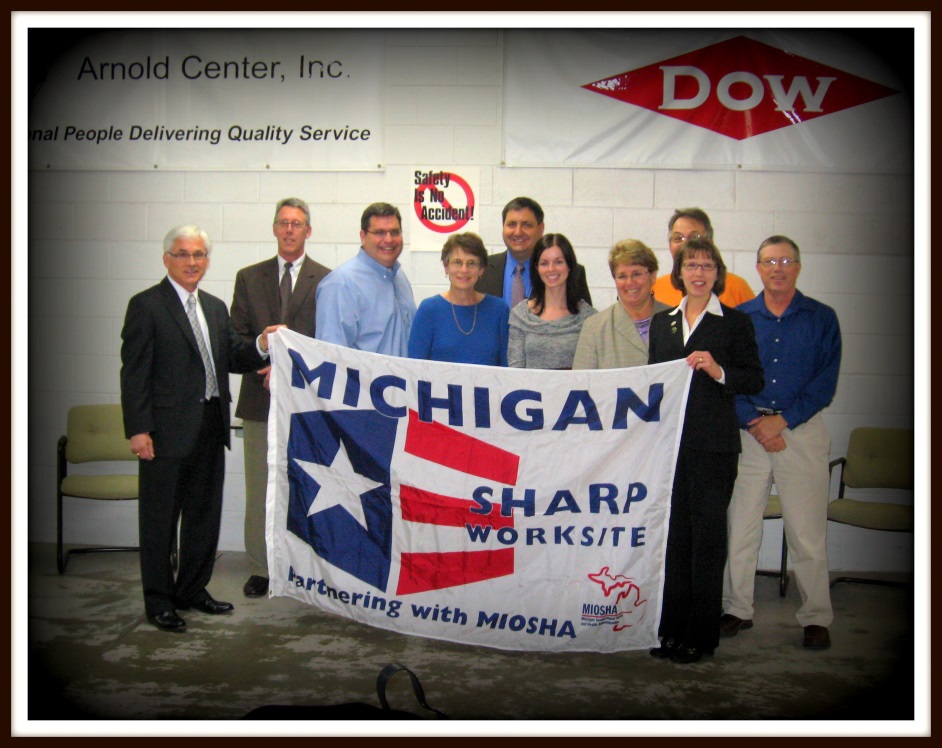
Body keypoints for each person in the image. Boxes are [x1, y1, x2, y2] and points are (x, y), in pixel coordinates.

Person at [120, 225, 283, 633]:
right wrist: (138, 430)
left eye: (199, 255)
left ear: (207, 260)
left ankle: (192, 591)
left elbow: (233, 355)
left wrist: (262, 343)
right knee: (159, 523)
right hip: (163, 435)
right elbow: (134, 374)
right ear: (166, 259)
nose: (192, 262)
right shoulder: (146, 306)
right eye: (183, 254)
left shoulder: (212, 307)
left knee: (202, 519)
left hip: (210, 430)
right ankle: (159, 602)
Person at [721, 236, 841, 651]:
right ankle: (736, 608)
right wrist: (756, 422)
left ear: (798, 266)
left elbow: (824, 383)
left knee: (807, 533)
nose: (778, 268)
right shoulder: (737, 319)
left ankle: (815, 617)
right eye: (770, 261)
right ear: (758, 268)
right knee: (741, 527)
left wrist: (783, 421)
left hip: (801, 432)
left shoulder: (821, 318)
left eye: (786, 260)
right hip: (749, 432)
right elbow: (727, 379)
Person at [647, 237, 764, 663]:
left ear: (718, 274)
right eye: (691, 265)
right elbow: (653, 384)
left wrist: (718, 371)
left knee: (708, 540)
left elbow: (753, 379)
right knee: (675, 539)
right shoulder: (664, 324)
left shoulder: (733, 323)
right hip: (672, 449)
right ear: (678, 273)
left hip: (714, 448)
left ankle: (701, 634)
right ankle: (671, 631)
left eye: (707, 266)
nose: (699, 273)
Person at [230, 198, 331, 600]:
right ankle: (261, 567)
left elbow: (328, 345)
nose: (290, 230)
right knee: (260, 488)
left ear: (309, 232)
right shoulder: (248, 278)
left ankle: (305, 566)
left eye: (298, 224)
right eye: (283, 223)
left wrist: (291, 370)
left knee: (308, 486)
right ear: (274, 229)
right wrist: (261, 346)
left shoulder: (326, 280)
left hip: (308, 404)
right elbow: (234, 342)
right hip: (259, 401)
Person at [315, 202, 416, 355]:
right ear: (363, 236)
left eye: (395, 232)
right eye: (380, 232)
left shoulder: (399, 277)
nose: (388, 240)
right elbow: (330, 359)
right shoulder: (340, 285)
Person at [408, 232, 509, 365]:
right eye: (457, 262)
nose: (464, 270)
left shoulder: (499, 310)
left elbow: (506, 369)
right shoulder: (428, 310)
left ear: (481, 269)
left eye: (471, 263)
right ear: (446, 266)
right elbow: (414, 369)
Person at [476, 196, 592, 308]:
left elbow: (585, 323)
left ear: (541, 229)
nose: (518, 232)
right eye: (512, 224)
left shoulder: (570, 273)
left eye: (526, 225)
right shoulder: (480, 270)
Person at [572, 239, 670, 370]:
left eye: (636, 274)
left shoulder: (675, 320)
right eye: (622, 276)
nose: (630, 282)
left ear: (653, 276)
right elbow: (581, 384)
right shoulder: (594, 328)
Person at [507, 233, 597, 369]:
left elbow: (592, 373)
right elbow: (516, 372)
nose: (551, 269)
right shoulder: (520, 315)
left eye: (558, 262)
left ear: (570, 265)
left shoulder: (589, 318)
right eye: (544, 263)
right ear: (537, 268)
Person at [652, 207, 755, 307]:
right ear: (670, 245)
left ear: (710, 244)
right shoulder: (655, 289)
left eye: (694, 237)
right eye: (678, 238)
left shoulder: (737, 287)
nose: (685, 244)